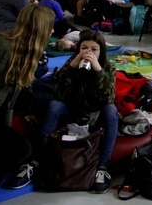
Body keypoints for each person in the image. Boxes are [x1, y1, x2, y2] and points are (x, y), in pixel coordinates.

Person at [40, 29, 117, 193]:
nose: (88, 52)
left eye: (94, 49)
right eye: (84, 48)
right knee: (54, 105)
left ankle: (103, 166)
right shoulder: (72, 63)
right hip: (73, 111)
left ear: (101, 51)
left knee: (111, 110)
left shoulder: (108, 67)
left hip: (95, 115)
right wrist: (71, 68)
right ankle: (40, 159)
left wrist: (98, 71)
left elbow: (108, 98)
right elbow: (59, 93)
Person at [0, 5, 55, 189]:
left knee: (19, 153)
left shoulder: (29, 56)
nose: (53, 30)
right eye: (50, 26)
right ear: (40, 29)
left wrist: (27, 109)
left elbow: (23, 90)